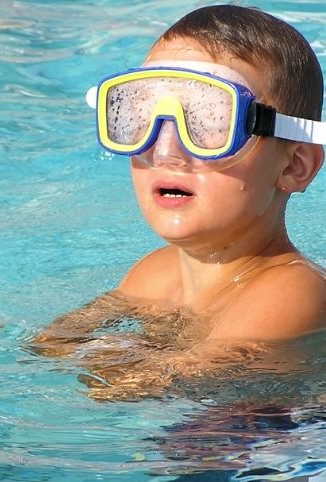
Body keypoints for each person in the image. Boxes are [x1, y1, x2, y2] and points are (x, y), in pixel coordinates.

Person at [31, 4, 326, 399]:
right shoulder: (153, 273)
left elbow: (146, 384)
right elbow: (47, 344)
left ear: (294, 166)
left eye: (210, 122)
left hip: (277, 449)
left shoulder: (294, 290)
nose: (165, 151)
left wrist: (114, 357)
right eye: (137, 115)